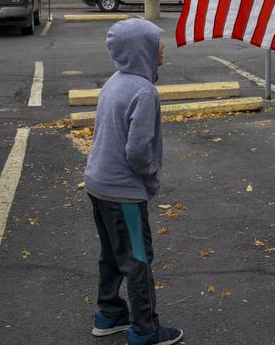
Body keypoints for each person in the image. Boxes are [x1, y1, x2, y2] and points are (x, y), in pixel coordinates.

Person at [83, 18, 183, 345]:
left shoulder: (115, 81)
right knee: (138, 258)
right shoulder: (144, 91)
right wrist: (152, 178)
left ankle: (109, 313)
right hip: (122, 192)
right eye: (157, 42)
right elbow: (138, 151)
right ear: (141, 48)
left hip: (98, 185)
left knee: (113, 253)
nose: (163, 47)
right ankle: (144, 330)